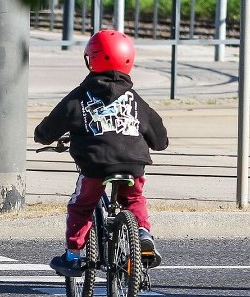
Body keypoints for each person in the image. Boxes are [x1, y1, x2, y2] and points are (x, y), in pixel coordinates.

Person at [34, 29, 169, 277]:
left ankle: (73, 255)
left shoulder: (79, 97)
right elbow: (159, 138)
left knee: (81, 206)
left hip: (96, 165)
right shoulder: (135, 100)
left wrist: (42, 135)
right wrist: (156, 142)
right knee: (134, 199)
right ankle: (142, 233)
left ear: (91, 58)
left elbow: (49, 128)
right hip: (133, 163)